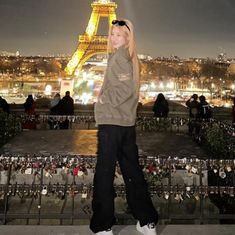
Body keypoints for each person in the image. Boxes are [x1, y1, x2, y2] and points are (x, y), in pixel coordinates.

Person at [90, 19, 158, 235]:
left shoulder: (119, 58)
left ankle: (103, 225)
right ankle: (146, 220)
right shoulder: (130, 58)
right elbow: (130, 90)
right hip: (126, 123)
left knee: (104, 172)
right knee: (131, 171)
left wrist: (101, 100)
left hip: (112, 122)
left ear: (128, 37)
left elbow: (123, 89)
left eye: (118, 34)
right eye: (112, 34)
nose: (113, 38)